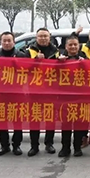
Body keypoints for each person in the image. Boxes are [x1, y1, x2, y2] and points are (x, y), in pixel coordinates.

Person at [26, 28, 60, 156]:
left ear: (49, 37)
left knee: (50, 118)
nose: (43, 38)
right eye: (40, 36)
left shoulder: (56, 52)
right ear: (36, 38)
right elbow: (23, 68)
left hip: (51, 90)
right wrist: (35, 60)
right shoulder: (29, 51)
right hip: (34, 90)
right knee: (34, 118)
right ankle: (34, 146)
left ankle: (49, 143)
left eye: (45, 36)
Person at [0, 32, 26, 157]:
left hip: (17, 93)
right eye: (4, 41)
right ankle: (4, 145)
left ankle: (16, 145)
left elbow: (27, 74)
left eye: (9, 40)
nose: (7, 43)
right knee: (2, 120)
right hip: (1, 94)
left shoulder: (21, 55)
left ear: (14, 42)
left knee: (17, 120)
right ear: (0, 42)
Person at [57, 33, 88, 157]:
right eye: (70, 45)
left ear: (79, 46)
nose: (73, 47)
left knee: (79, 123)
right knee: (65, 124)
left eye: (75, 44)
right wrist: (58, 63)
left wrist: (86, 64)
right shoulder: (60, 58)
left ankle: (77, 147)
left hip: (81, 96)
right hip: (65, 96)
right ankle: (65, 148)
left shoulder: (84, 58)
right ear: (66, 46)